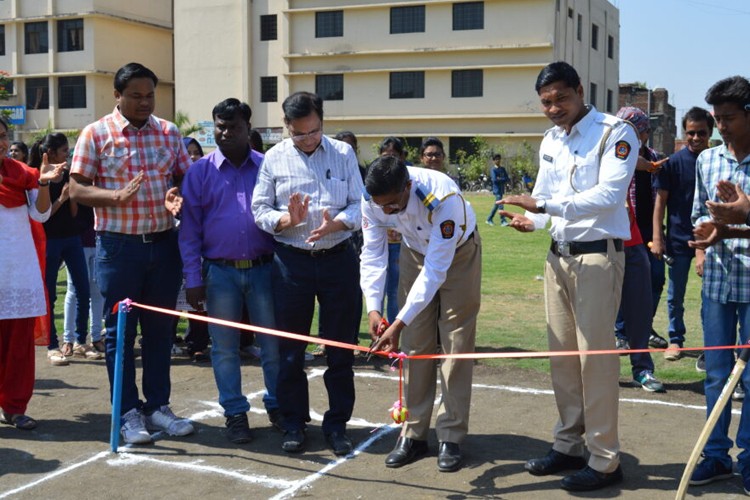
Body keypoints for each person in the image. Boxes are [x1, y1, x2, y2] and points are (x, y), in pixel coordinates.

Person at [499, 61, 636, 492]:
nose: (554, 108)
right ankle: (569, 444)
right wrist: (533, 221)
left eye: (561, 97)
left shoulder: (615, 132)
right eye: (545, 102)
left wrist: (546, 210)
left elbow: (610, 194)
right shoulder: (551, 140)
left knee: (594, 362)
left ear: (580, 89)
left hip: (598, 259)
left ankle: (605, 459)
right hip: (557, 258)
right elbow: (543, 197)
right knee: (561, 358)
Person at [69, 62, 194, 445]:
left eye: (150, 95)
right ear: (117, 96)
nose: (145, 102)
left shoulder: (169, 133)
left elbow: (185, 177)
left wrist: (178, 196)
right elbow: (75, 189)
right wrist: (115, 196)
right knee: (119, 334)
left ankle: (157, 407)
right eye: (136, 95)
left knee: (160, 331)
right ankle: (127, 413)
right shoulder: (95, 134)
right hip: (118, 248)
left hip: (163, 245)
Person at [252, 91, 363, 456]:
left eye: (313, 131)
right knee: (289, 350)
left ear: (322, 121)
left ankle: (337, 425)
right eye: (299, 134)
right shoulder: (274, 158)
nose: (308, 139)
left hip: (338, 259)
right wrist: (286, 220)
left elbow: (360, 203)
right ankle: (294, 423)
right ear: (287, 127)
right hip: (291, 263)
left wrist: (337, 224)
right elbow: (260, 209)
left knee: (339, 347)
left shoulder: (343, 153)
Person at [360, 155, 481, 473]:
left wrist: (398, 321)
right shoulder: (372, 198)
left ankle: (451, 436)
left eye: (392, 205)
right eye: (381, 206)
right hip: (415, 252)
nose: (386, 211)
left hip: (457, 254)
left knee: (455, 344)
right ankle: (412, 434)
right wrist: (373, 307)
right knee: (414, 344)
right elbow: (372, 252)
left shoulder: (442, 199)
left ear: (408, 187)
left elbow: (436, 271)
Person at [179, 98, 281, 443]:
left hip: (265, 270)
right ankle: (235, 413)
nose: (224, 133)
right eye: (219, 127)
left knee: (272, 344)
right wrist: (193, 279)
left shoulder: (268, 166)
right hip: (219, 273)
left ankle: (278, 405)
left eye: (233, 127)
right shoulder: (200, 172)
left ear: (248, 128)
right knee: (223, 348)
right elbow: (190, 231)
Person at [684, 75, 750, 491]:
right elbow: (696, 213)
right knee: (717, 374)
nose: (721, 126)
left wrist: (741, 219)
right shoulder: (707, 161)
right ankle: (715, 456)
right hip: (719, 285)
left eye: (728, 118)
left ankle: (749, 458)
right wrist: (706, 239)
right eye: (717, 118)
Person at [0, 115, 61, 430]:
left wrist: (44, 182)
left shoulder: (25, 175)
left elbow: (40, 214)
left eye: (1, 136)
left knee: (19, 347)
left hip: (18, 271)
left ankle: (13, 407)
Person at [652, 106, 714, 364]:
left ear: (710, 132)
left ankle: (709, 347)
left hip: (710, 242)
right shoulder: (673, 163)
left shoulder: (715, 161)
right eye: (691, 133)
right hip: (677, 241)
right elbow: (660, 203)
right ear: (684, 133)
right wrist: (658, 237)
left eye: (701, 133)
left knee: (709, 297)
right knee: (675, 295)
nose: (696, 138)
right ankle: (676, 339)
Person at [29, 134, 97, 364]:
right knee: (49, 292)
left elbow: (75, 213)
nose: (67, 156)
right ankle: (51, 345)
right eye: (64, 152)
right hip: (50, 240)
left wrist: (73, 198)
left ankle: (80, 341)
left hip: (72, 238)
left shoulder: (68, 175)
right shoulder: (40, 178)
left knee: (83, 288)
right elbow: (42, 216)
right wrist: (63, 198)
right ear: (50, 152)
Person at [615, 107, 669, 353]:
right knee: (624, 281)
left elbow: (661, 193)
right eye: (638, 130)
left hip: (650, 229)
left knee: (656, 278)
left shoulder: (654, 156)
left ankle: (644, 326)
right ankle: (621, 331)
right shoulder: (616, 155)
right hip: (625, 230)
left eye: (644, 130)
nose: (643, 134)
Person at [173, 137, 209, 362]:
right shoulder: (173, 183)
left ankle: (198, 343)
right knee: (174, 297)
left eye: (197, 152)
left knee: (199, 299)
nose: (193, 156)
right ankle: (170, 338)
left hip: (201, 247)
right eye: (188, 152)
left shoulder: (206, 179)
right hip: (174, 246)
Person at [486, 153, 510, 226]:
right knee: (500, 205)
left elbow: (507, 178)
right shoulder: (493, 170)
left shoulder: (502, 169)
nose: (498, 160)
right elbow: (494, 180)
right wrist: (502, 179)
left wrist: (500, 179)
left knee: (496, 205)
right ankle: (503, 221)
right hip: (496, 190)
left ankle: (489, 219)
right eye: (496, 159)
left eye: (499, 159)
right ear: (494, 161)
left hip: (501, 189)